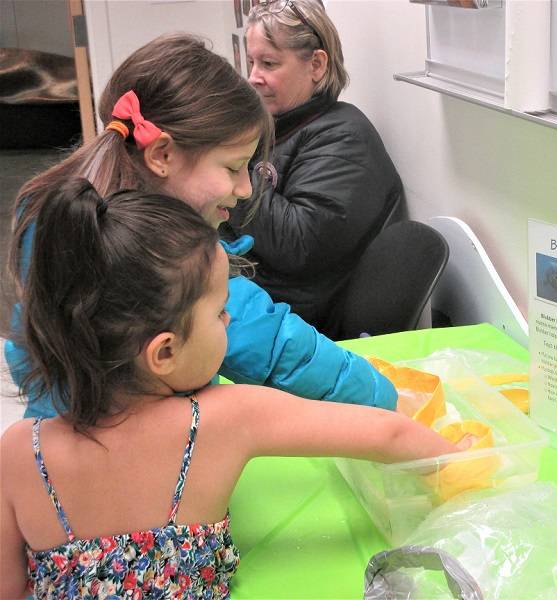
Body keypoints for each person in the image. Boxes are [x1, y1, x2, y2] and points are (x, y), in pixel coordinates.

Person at [0, 181, 461, 597]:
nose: (228, 320)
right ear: (164, 352)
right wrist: (461, 463)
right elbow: (389, 433)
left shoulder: (19, 452)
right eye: (220, 311)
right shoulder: (225, 419)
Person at [4, 33, 398, 419]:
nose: (246, 189)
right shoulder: (153, 249)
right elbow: (273, 345)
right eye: (233, 167)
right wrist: (382, 395)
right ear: (162, 155)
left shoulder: (60, 208)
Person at [223, 0, 405, 339]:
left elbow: (297, 245)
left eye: (268, 63)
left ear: (317, 65)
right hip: (261, 300)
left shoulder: (345, 136)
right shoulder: (276, 126)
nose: (253, 77)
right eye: (251, 62)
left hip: (302, 324)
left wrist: (229, 167)